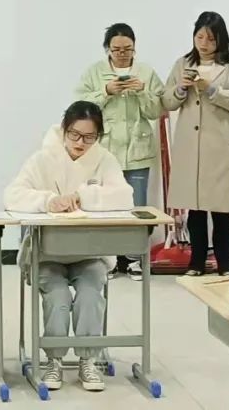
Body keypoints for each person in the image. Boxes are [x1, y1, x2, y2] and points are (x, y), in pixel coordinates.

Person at [4, 101, 133, 393]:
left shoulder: (105, 160)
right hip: (47, 254)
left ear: (98, 136)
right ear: (64, 130)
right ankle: (54, 360)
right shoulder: (42, 158)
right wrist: (48, 201)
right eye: (75, 135)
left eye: (89, 137)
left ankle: (89, 359)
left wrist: (84, 196)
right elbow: (12, 194)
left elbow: (125, 196)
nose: (80, 143)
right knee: (58, 297)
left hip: (90, 253)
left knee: (90, 294)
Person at [162, 12, 229, 276]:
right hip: (190, 145)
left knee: (221, 209)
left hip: (218, 145)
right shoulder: (182, 64)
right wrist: (181, 88)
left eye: (210, 39)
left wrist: (212, 89)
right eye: (199, 37)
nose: (204, 43)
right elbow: (167, 101)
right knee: (195, 208)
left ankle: (225, 264)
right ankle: (196, 263)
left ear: (221, 40)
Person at [75, 23, 164, 279]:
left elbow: (157, 110)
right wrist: (105, 91)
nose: (123, 54)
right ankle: (108, 260)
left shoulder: (146, 72)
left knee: (138, 206)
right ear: (108, 49)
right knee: (104, 205)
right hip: (105, 151)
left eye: (128, 49)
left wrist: (142, 91)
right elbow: (80, 107)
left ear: (135, 47)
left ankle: (136, 259)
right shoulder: (94, 72)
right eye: (117, 49)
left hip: (137, 150)